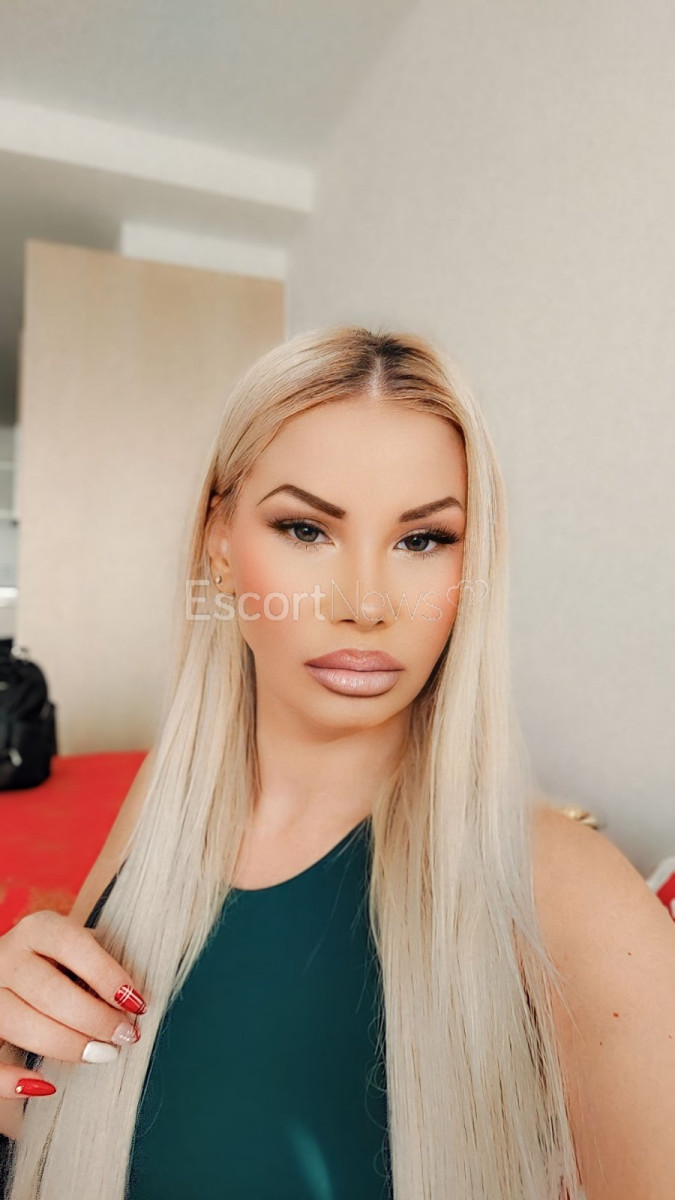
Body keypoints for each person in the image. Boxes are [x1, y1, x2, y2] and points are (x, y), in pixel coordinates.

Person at [1, 326, 674, 1199]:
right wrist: (22, 1034)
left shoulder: (568, 893)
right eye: (305, 528)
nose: (365, 603)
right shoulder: (166, 806)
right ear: (218, 543)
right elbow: (83, 1127)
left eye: (423, 540)